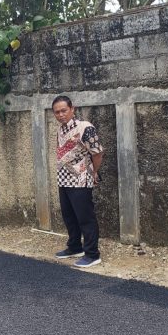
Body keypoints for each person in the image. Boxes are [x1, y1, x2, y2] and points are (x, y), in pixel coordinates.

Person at [51, 95, 104, 268]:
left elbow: (97, 153)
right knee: (69, 216)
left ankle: (92, 254)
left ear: (72, 109)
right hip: (64, 179)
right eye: (57, 112)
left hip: (81, 179)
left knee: (85, 217)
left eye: (64, 110)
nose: (60, 115)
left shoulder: (85, 127)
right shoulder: (60, 130)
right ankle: (74, 247)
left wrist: (94, 172)